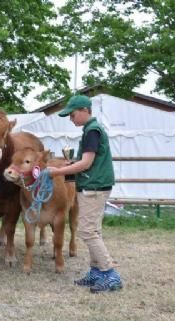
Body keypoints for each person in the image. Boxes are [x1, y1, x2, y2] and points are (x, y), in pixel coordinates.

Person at [48, 95, 123, 293]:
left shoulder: (92, 131)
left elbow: (87, 163)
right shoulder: (91, 130)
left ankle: (109, 273)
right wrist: (71, 164)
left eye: (72, 115)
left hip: (94, 187)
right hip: (96, 184)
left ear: (84, 110)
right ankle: (96, 272)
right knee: (93, 230)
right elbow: (87, 161)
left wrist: (57, 171)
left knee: (88, 231)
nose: (71, 119)